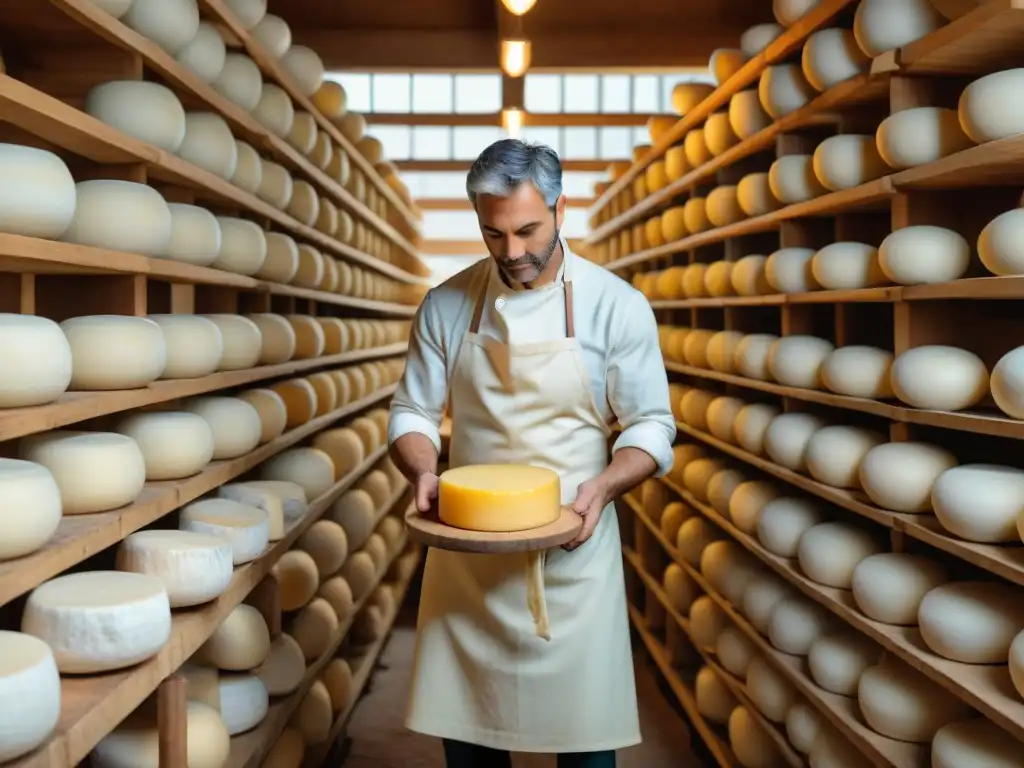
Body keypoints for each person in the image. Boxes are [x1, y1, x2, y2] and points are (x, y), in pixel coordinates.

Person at [388, 138, 676, 768]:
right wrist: (424, 469)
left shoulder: (615, 306)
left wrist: (601, 489)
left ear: (560, 208)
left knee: (584, 742)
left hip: (573, 548)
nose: (513, 252)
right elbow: (411, 411)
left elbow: (650, 426)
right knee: (469, 741)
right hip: (469, 558)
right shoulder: (445, 305)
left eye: (528, 230)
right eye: (494, 234)